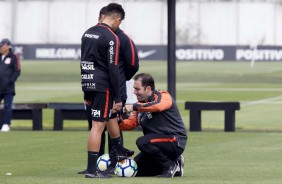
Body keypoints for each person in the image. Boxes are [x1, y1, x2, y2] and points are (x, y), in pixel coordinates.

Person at [79, 5, 139, 175]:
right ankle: (92, 170)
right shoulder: (111, 37)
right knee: (98, 126)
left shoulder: (87, 32)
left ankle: (119, 150)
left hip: (88, 82)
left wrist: (86, 91)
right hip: (103, 85)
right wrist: (118, 97)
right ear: (117, 20)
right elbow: (113, 69)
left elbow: (84, 62)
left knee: (111, 116)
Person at [119, 73, 188, 178]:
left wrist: (133, 107)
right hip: (156, 143)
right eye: (134, 89)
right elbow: (131, 124)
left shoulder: (163, 96)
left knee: (142, 142)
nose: (134, 92)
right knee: (137, 169)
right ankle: (176, 165)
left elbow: (158, 106)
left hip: (175, 141)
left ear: (148, 88)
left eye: (137, 89)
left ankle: (170, 165)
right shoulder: (140, 104)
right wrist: (117, 120)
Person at [0, 38, 21, 132]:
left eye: (2, 46)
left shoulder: (13, 56)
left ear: (7, 46)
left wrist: (11, 80)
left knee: (7, 106)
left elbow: (17, 70)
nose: (0, 47)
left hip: (8, 87)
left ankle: (6, 124)